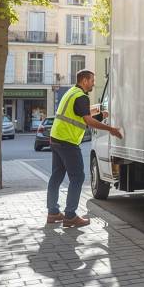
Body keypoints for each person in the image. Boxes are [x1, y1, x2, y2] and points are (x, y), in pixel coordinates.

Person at [46, 70, 122, 228]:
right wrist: (111, 129)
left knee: (56, 176)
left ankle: (53, 213)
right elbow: (88, 121)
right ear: (85, 80)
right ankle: (70, 216)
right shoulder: (81, 96)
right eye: (92, 80)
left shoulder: (71, 93)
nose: (94, 83)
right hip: (67, 141)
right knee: (78, 177)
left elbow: (80, 113)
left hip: (56, 138)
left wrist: (100, 113)